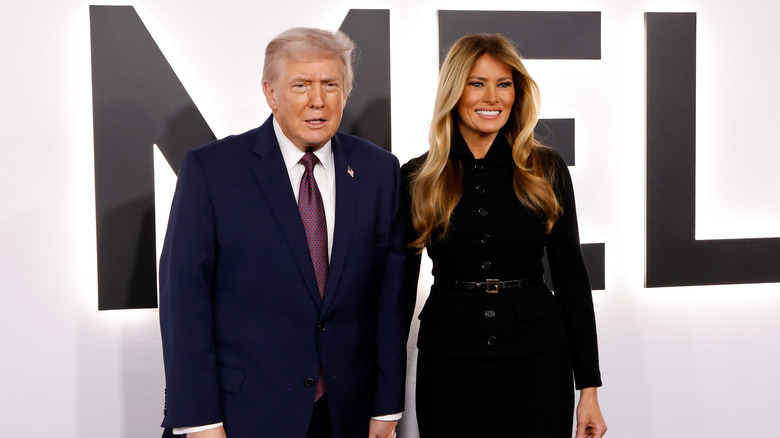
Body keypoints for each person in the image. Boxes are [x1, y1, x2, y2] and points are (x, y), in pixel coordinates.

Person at [159, 27, 405, 438]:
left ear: (345, 92)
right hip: (242, 417)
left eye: (330, 85)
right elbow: (184, 299)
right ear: (270, 93)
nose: (317, 100)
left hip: (348, 415)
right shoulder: (213, 170)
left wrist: (387, 406)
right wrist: (200, 421)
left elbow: (389, 302)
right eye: (301, 85)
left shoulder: (379, 171)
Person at [402, 33, 607, 438]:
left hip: (539, 362)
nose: (491, 97)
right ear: (454, 91)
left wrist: (589, 388)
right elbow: (399, 293)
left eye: (504, 84)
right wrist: (385, 400)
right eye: (476, 83)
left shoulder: (545, 168)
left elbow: (571, 279)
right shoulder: (418, 176)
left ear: (517, 92)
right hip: (449, 365)